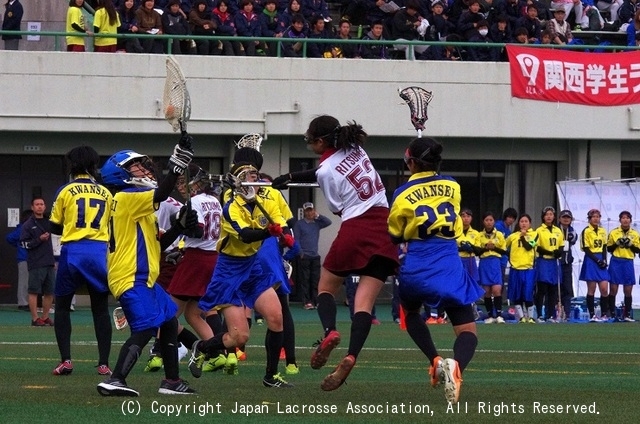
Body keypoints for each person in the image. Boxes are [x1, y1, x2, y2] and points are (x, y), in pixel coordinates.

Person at [271, 115, 399, 391]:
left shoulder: (327, 169)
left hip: (357, 226)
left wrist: (291, 178)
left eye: (310, 142)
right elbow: (322, 171)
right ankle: (351, 355)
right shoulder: (356, 148)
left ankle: (330, 331)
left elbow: (337, 206)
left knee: (325, 288)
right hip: (384, 225)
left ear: (320, 141)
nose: (309, 146)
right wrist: (291, 177)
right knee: (363, 303)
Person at [96, 137, 198, 396]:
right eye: (136, 167)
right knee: (146, 326)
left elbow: (159, 244)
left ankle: (172, 381)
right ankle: (115, 379)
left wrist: (179, 226)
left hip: (145, 278)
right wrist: (176, 164)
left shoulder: (136, 205)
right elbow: (161, 193)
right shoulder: (127, 197)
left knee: (167, 321)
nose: (144, 171)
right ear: (119, 173)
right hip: (131, 277)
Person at [388, 137, 483, 405]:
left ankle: (435, 360)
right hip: (448, 260)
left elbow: (395, 234)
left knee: (409, 312)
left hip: (417, 263)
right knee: (467, 331)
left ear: (413, 162)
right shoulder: (452, 184)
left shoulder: (402, 193)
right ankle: (457, 367)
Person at [189, 162, 296, 388]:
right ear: (238, 183)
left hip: (253, 266)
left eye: (255, 174)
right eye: (248, 175)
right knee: (239, 338)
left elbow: (281, 223)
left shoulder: (266, 201)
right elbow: (246, 235)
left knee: (277, 318)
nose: (254, 178)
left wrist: (285, 235)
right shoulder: (230, 208)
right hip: (230, 271)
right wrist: (268, 232)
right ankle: (202, 347)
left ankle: (271, 376)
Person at [48, 146, 114, 377]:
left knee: (63, 308)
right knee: (100, 310)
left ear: (73, 165)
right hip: (98, 252)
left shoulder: (66, 190)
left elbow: (54, 225)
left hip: (73, 251)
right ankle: (104, 363)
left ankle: (66, 360)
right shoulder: (106, 192)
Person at [20, 197, 56, 327]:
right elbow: (24, 244)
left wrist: (55, 260)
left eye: (42, 204)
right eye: (37, 204)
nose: (39, 207)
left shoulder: (49, 222)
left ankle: (45, 317)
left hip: (49, 261)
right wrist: (39, 239)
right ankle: (35, 318)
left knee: (49, 291)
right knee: (34, 291)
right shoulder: (28, 224)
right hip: (35, 262)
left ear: (45, 206)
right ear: (32, 207)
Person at [293, 201, 331, 309]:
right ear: (304, 212)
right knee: (305, 280)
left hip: (315, 256)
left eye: (311, 210)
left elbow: (328, 222)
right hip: (304, 256)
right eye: (308, 211)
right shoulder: (299, 224)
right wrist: (301, 252)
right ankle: (307, 301)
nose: (310, 213)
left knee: (315, 280)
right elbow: (296, 239)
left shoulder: (317, 223)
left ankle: (315, 301)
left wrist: (318, 216)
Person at [606, 211, 639, 322]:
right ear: (620, 220)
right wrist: (617, 243)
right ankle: (612, 314)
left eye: (627, 218)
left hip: (628, 261)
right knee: (613, 288)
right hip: (616, 261)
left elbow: (638, 250)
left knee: (628, 289)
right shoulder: (614, 232)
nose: (625, 220)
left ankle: (627, 314)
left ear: (630, 220)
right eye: (623, 218)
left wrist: (631, 245)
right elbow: (609, 249)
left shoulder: (635, 234)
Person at [505, 214, 538, 323]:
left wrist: (523, 237)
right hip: (515, 269)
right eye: (521, 221)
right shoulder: (513, 236)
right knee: (517, 294)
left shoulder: (535, 235)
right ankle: (521, 317)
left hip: (528, 269)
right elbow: (504, 246)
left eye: (526, 221)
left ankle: (531, 317)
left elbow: (529, 247)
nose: (523, 223)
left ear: (530, 223)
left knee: (528, 293)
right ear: (518, 224)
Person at [579, 209, 611, 322]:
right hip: (591, 260)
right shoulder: (586, 231)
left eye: (597, 216)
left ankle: (604, 314)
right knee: (591, 288)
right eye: (593, 217)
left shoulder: (603, 231)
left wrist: (604, 260)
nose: (596, 219)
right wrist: (597, 260)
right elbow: (586, 249)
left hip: (600, 260)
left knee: (604, 288)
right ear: (589, 218)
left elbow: (604, 247)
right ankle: (592, 314)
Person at [534, 206, 564, 322]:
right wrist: (550, 252)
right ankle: (539, 314)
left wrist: (558, 252)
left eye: (551, 214)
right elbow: (536, 246)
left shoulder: (558, 230)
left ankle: (550, 314)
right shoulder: (539, 230)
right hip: (544, 261)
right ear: (543, 216)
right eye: (547, 214)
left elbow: (561, 245)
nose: (549, 216)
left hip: (554, 263)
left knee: (553, 289)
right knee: (542, 289)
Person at [475, 211, 507, 324]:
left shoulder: (499, 235)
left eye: (491, 220)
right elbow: (476, 251)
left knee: (496, 289)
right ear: (483, 222)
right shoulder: (479, 235)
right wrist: (485, 247)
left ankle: (498, 315)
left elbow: (503, 250)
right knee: (487, 290)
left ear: (494, 221)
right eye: (486, 220)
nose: (489, 222)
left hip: (495, 262)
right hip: (484, 263)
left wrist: (494, 248)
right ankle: (490, 316)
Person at [6, 209, 31, 311]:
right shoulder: (22, 228)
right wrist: (18, 245)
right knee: (24, 281)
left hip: (33, 258)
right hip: (24, 257)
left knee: (30, 281)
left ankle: (29, 302)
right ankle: (23, 302)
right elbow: (9, 237)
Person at [558, 209, 577, 318]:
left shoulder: (572, 231)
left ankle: (567, 312)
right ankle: (555, 312)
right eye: (564, 217)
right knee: (556, 288)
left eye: (568, 218)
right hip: (557, 262)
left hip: (567, 263)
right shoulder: (556, 230)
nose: (566, 219)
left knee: (567, 288)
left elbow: (573, 240)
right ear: (560, 219)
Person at [457, 208, 480, 284]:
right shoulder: (455, 232)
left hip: (471, 259)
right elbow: (451, 248)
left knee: (472, 282)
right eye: (463, 216)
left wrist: (471, 247)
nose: (466, 218)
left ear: (471, 218)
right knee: (460, 282)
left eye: (468, 216)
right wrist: (461, 248)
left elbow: (478, 251)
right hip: (458, 259)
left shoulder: (476, 233)